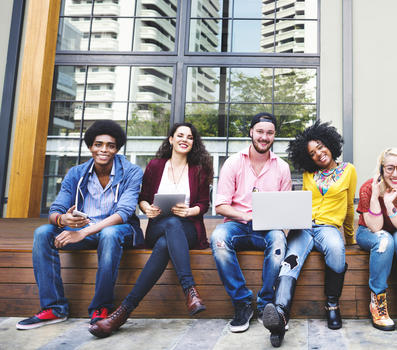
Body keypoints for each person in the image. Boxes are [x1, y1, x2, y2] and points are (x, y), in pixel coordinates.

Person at [89, 122, 213, 337]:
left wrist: (190, 211)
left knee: (170, 236)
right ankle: (189, 290)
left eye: (190, 137)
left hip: (188, 229)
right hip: (158, 225)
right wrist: (147, 208)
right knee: (169, 227)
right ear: (171, 139)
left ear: (194, 143)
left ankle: (122, 312)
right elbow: (142, 198)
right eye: (180, 135)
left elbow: (204, 204)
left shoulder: (199, 169)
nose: (185, 139)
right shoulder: (156, 166)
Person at [16, 120, 144, 330]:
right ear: (90, 146)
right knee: (43, 233)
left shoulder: (132, 172)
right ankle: (54, 308)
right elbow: (55, 209)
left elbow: (124, 213)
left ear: (117, 148)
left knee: (109, 234)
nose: (104, 150)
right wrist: (62, 220)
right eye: (98, 144)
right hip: (83, 229)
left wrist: (82, 232)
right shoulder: (76, 173)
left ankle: (101, 308)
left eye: (110, 145)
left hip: (120, 230)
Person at [263, 120, 356, 347]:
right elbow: (301, 203)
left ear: (330, 144)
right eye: (312, 153)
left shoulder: (348, 170)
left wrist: (350, 237)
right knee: (289, 262)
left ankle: (332, 305)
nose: (318, 154)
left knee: (336, 249)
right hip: (304, 227)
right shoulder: (309, 174)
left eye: (321, 147)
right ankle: (280, 313)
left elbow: (350, 207)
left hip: (328, 228)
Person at [210, 112, 291, 333]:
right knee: (218, 237)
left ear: (274, 136)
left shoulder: (282, 167)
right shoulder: (233, 163)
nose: (264, 137)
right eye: (260, 132)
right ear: (251, 132)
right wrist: (246, 216)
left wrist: (283, 230)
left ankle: (266, 304)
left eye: (270, 133)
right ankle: (242, 303)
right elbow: (220, 206)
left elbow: (285, 209)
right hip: (237, 224)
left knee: (278, 240)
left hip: (267, 228)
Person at [356, 148, 397, 332]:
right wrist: (377, 197)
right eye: (390, 168)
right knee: (384, 240)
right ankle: (377, 303)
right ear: (381, 169)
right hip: (369, 232)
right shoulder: (368, 188)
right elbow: (376, 227)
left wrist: (389, 204)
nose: (395, 174)